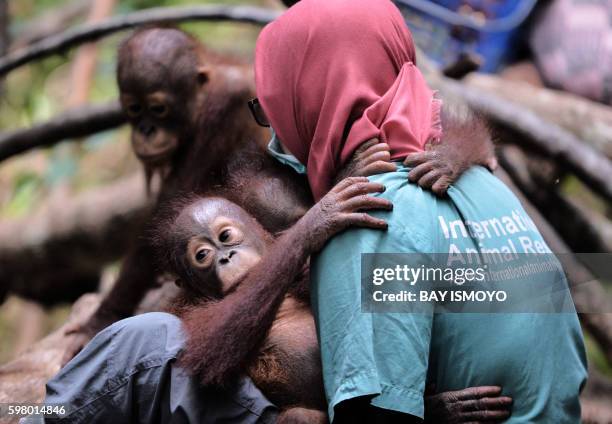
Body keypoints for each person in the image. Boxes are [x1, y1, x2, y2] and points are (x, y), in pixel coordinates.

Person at [253, 0, 587, 422]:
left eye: (271, 107)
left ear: (301, 99)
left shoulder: (362, 215)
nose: (274, 130)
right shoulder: (486, 183)